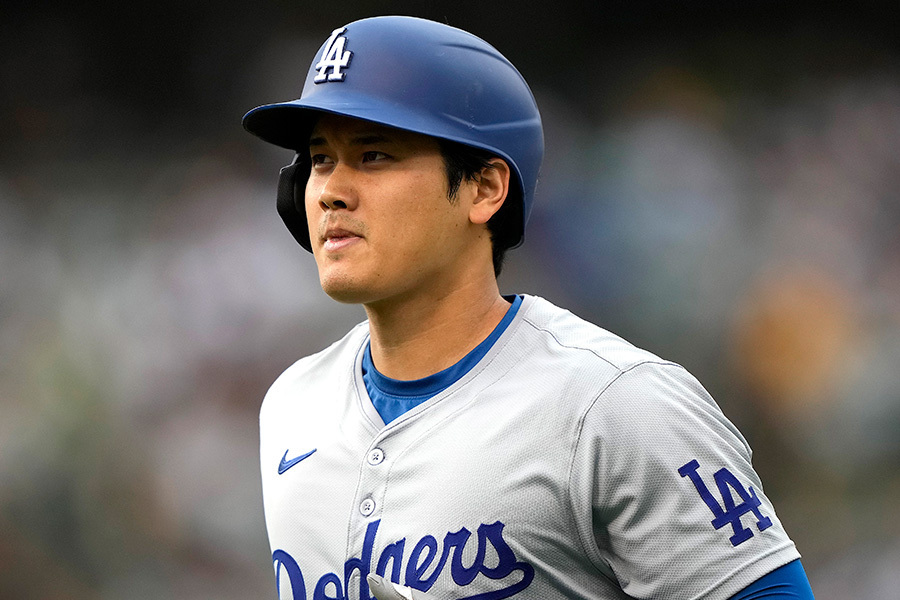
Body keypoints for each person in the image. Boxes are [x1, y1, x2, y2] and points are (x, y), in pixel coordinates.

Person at [242, 15, 815, 600]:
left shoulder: (616, 405)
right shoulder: (292, 404)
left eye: (375, 155)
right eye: (319, 159)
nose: (332, 189)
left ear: (486, 188)